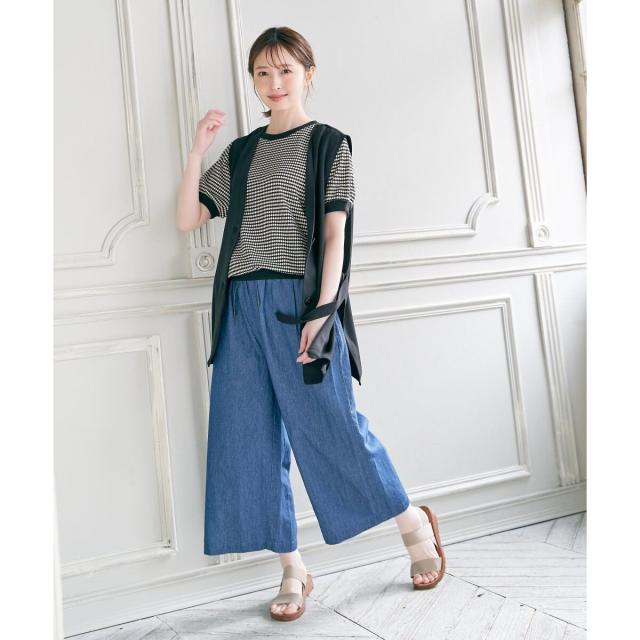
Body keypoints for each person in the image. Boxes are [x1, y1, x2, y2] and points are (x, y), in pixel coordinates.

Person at [176, 26, 446, 622]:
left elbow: (333, 236)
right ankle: (292, 567)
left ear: (308, 74)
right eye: (262, 73)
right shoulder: (241, 152)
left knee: (333, 423)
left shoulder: (328, 144)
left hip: (298, 303)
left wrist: (323, 312)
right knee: (247, 436)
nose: (273, 84)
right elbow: (189, 217)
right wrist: (197, 150)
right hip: (240, 305)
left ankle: (413, 525)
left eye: (285, 71)